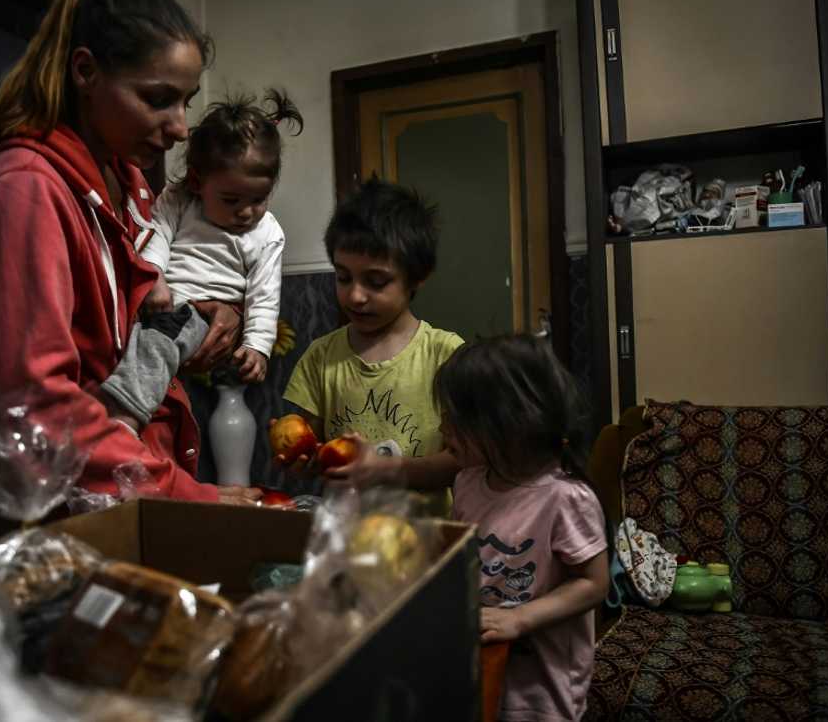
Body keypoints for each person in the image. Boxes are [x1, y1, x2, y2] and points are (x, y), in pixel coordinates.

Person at [0, 0, 259, 505]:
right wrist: (193, 499)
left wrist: (196, 323)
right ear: (85, 72)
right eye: (158, 99)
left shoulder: (129, 184)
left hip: (141, 480)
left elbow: (121, 337)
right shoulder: (28, 186)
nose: (181, 128)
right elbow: (44, 408)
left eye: (186, 102)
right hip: (90, 497)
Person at [101, 91, 302, 432]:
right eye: (231, 200)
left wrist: (257, 346)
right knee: (143, 340)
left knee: (160, 339)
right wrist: (154, 276)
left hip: (200, 318)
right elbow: (157, 233)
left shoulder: (268, 233)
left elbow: (264, 295)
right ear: (197, 182)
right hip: (161, 302)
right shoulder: (180, 199)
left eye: (259, 199)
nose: (246, 212)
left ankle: (124, 415)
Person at [436, 334, 609, 721]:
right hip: (481, 663)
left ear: (508, 422)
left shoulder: (565, 497)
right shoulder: (467, 481)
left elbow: (594, 583)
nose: (442, 427)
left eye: (455, 418)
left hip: (540, 688)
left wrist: (520, 618)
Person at [280, 178, 463, 513]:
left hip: (425, 535)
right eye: (343, 277)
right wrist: (301, 458)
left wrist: (386, 470)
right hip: (347, 532)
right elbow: (311, 448)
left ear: (418, 276)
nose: (355, 296)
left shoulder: (446, 355)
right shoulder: (321, 357)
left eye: (376, 282)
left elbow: (463, 460)